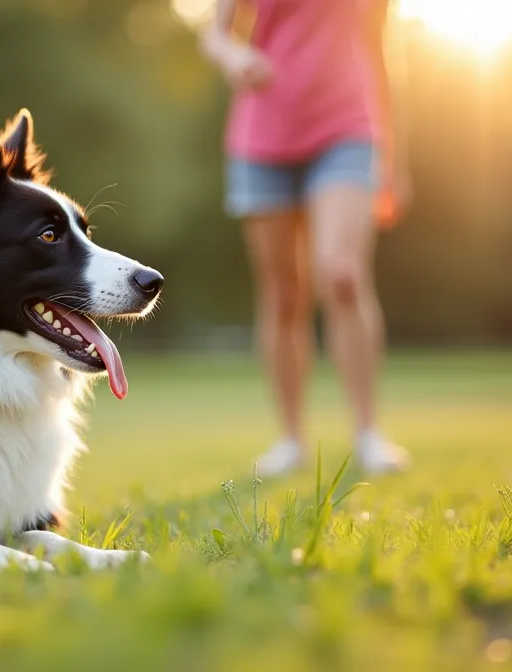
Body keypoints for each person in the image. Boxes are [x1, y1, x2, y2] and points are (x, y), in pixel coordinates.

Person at [200, 0, 412, 476]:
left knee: (342, 274)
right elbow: (215, 32)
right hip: (262, 136)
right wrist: (234, 56)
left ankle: (368, 433)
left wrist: (396, 159)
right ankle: (291, 439)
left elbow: (383, 52)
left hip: (348, 128)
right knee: (283, 296)